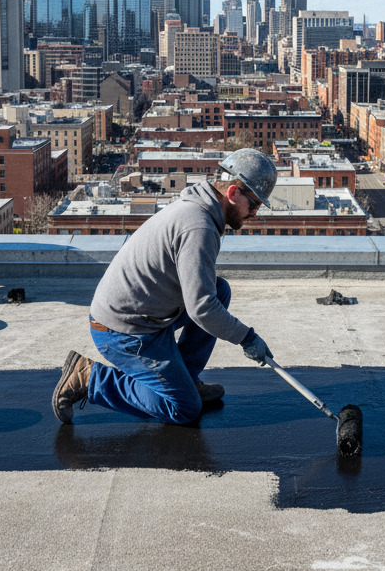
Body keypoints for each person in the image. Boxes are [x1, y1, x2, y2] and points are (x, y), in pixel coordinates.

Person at [52, 147, 277, 426]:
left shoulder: (200, 210)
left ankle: (186, 379)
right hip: (122, 330)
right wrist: (246, 337)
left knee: (220, 290)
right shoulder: (199, 228)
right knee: (183, 408)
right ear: (232, 193)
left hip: (144, 315)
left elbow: (203, 296)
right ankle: (90, 378)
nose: (254, 213)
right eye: (254, 204)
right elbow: (202, 309)